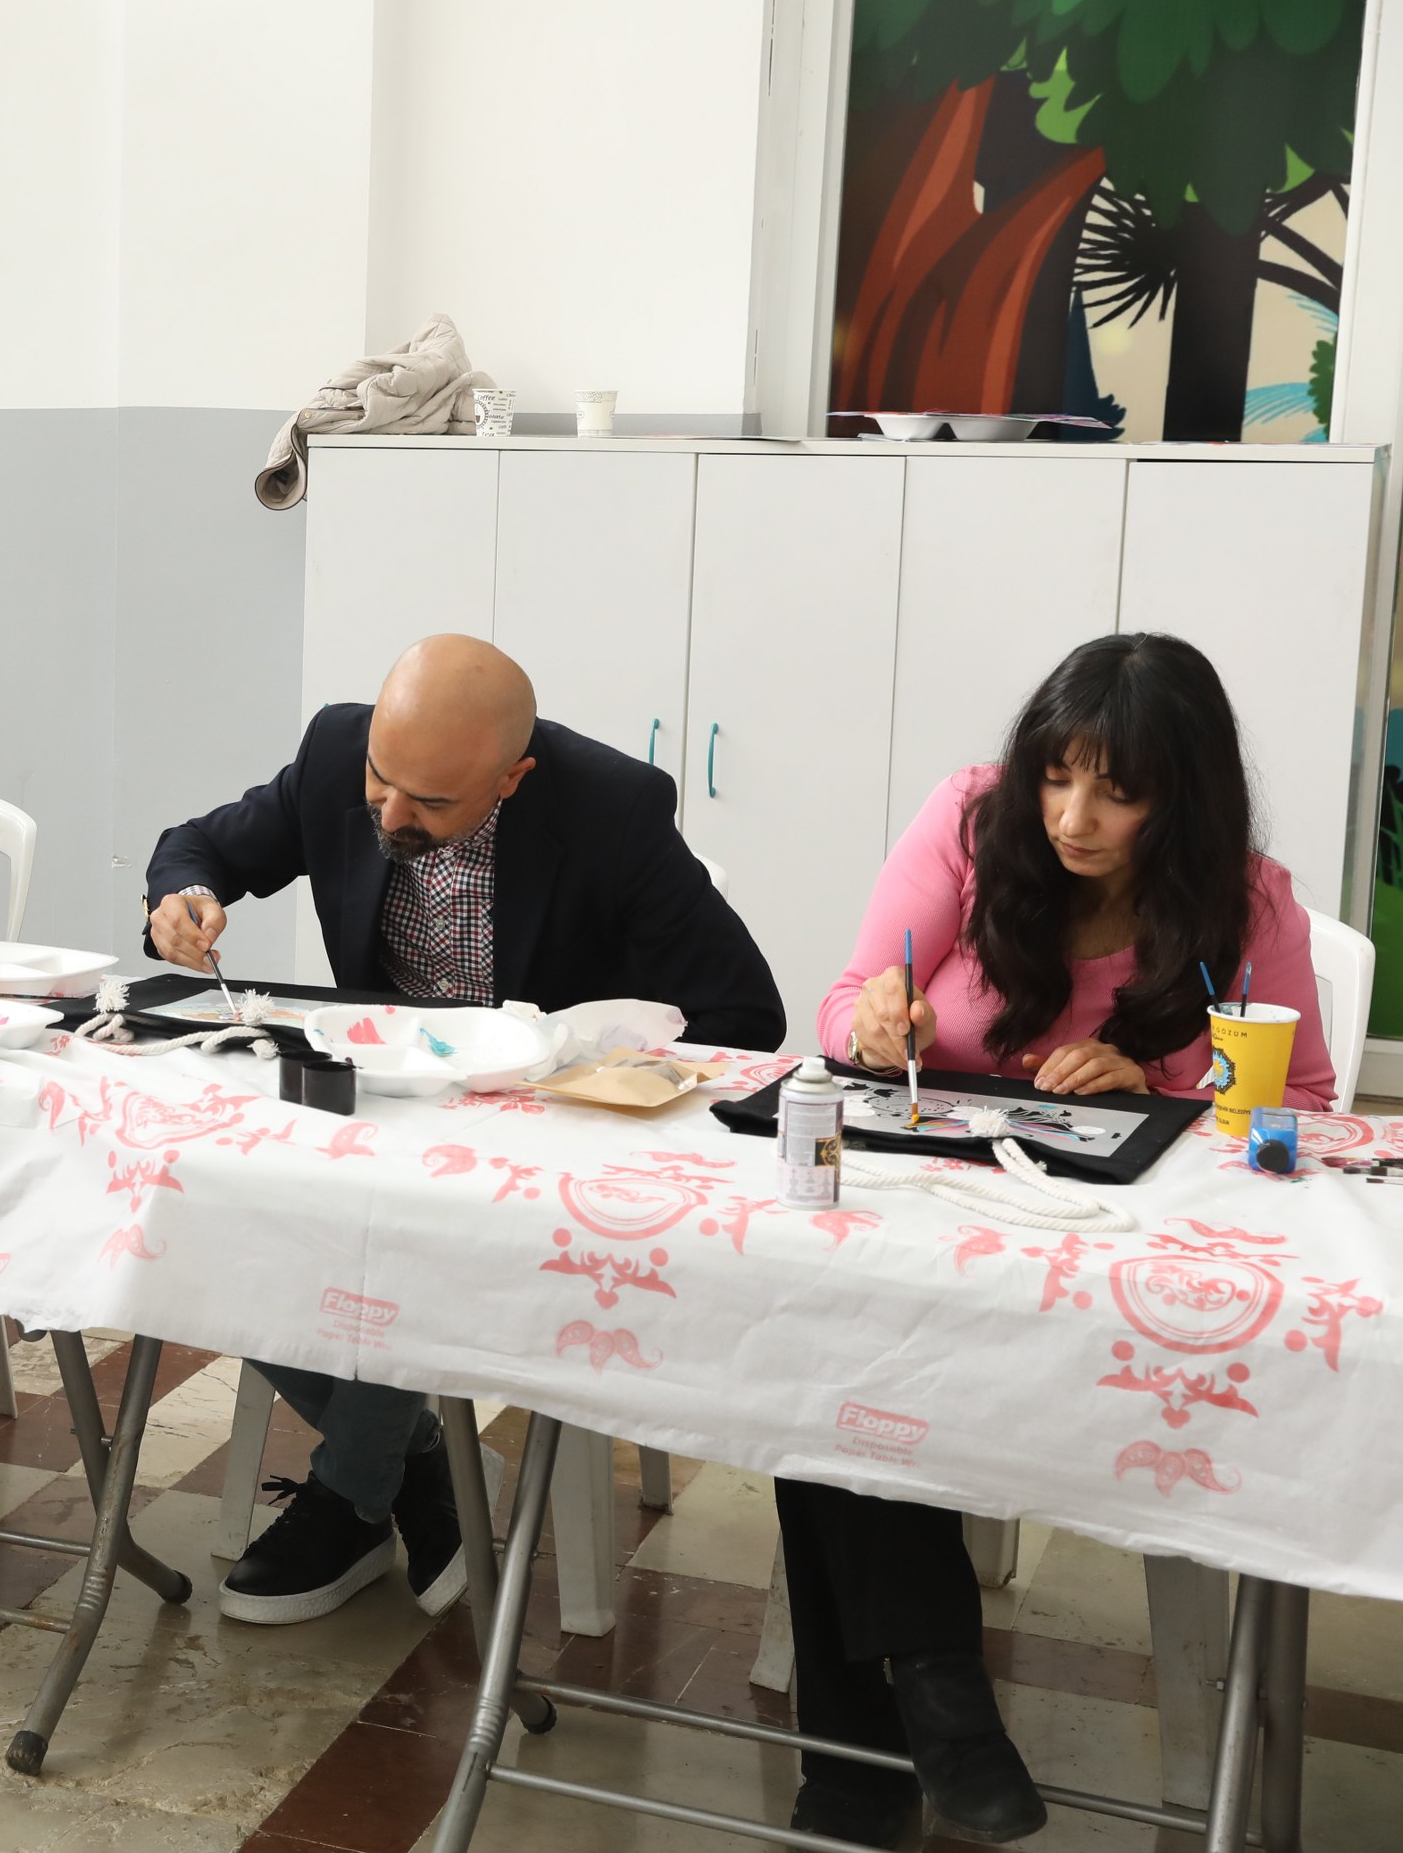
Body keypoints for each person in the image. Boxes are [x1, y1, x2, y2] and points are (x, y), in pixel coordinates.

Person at [787, 631, 1334, 1847]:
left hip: (1113, 1261)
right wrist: (875, 1021)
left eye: (1117, 792)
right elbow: (843, 1003)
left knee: (838, 1357)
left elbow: (1307, 1104)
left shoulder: (1245, 899)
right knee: (826, 1324)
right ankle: (937, 1694)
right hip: (933, 1220)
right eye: (1056, 776)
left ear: (1180, 798)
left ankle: (866, 1755)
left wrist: (1161, 1082)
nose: (1074, 818)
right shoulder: (971, 822)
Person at [143, 634, 782, 1628]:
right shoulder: (336, 752)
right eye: (382, 783)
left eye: (432, 803)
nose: (392, 815)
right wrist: (181, 900)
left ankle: (351, 1497)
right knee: (199, 1205)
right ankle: (419, 1464)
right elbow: (200, 847)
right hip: (377, 1105)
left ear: (511, 779)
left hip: (537, 1135)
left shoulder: (613, 808)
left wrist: (590, 1062)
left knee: (412, 1233)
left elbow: (744, 1014)